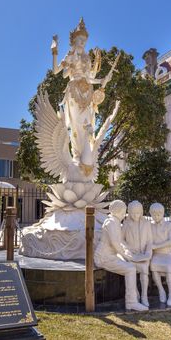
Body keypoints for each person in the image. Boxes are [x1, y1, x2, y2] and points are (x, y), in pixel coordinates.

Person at [51, 18, 118, 175]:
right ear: (74, 40)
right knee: (75, 125)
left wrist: (101, 80)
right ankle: (76, 156)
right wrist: (54, 51)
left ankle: (85, 158)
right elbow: (56, 71)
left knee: (87, 124)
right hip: (74, 90)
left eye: (84, 40)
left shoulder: (87, 58)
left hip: (87, 91)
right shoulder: (69, 55)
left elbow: (88, 78)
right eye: (80, 39)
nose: (82, 42)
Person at [94, 200, 148, 311]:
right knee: (130, 269)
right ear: (119, 211)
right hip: (104, 257)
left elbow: (119, 243)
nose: (125, 214)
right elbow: (115, 243)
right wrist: (127, 256)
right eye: (124, 211)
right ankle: (131, 302)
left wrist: (127, 251)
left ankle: (135, 297)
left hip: (111, 255)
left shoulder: (114, 222)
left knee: (129, 265)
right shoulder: (111, 223)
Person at [122, 201, 153, 307]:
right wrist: (127, 250)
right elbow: (121, 240)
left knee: (144, 269)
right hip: (131, 254)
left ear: (141, 212)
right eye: (133, 213)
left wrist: (148, 252)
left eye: (138, 213)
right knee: (130, 269)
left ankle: (144, 295)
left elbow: (149, 241)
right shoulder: (126, 223)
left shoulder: (146, 223)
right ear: (129, 213)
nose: (136, 215)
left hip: (143, 254)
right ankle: (135, 293)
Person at [149, 203, 171, 306]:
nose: (156, 216)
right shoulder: (150, 226)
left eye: (159, 214)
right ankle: (161, 290)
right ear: (151, 214)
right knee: (153, 266)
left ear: (163, 213)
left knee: (169, 267)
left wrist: (156, 246)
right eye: (154, 214)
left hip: (167, 253)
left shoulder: (168, 225)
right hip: (156, 254)